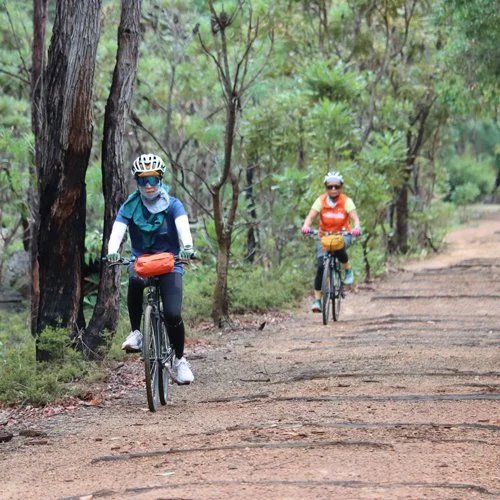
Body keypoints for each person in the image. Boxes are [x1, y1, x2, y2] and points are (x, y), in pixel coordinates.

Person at [106, 153, 196, 384]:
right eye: (143, 179)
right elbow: (117, 231)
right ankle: (136, 332)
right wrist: (112, 251)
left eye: (153, 179)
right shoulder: (129, 206)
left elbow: (183, 228)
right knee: (135, 279)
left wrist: (187, 247)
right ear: (137, 181)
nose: (148, 185)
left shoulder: (173, 205)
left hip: (170, 263)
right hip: (142, 263)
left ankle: (179, 360)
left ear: (160, 179)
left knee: (173, 314)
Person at [301, 171, 361, 313]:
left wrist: (356, 228)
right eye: (330, 187)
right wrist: (306, 226)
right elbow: (310, 217)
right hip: (324, 235)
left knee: (338, 246)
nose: (333, 189)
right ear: (326, 188)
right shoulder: (320, 201)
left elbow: (355, 219)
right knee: (321, 267)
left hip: (343, 234)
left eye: (336, 186)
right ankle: (317, 301)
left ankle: (347, 268)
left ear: (341, 187)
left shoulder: (346, 201)